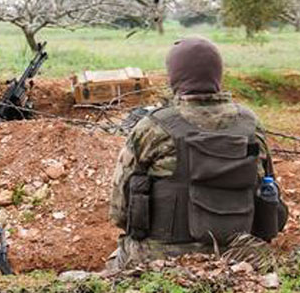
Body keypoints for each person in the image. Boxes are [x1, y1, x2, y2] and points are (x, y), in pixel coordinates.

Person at [107, 36, 288, 269]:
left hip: (162, 259)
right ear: (217, 75)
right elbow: (271, 200)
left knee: (116, 263)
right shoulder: (250, 124)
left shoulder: (153, 127)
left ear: (174, 77)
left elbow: (120, 213)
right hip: (243, 257)